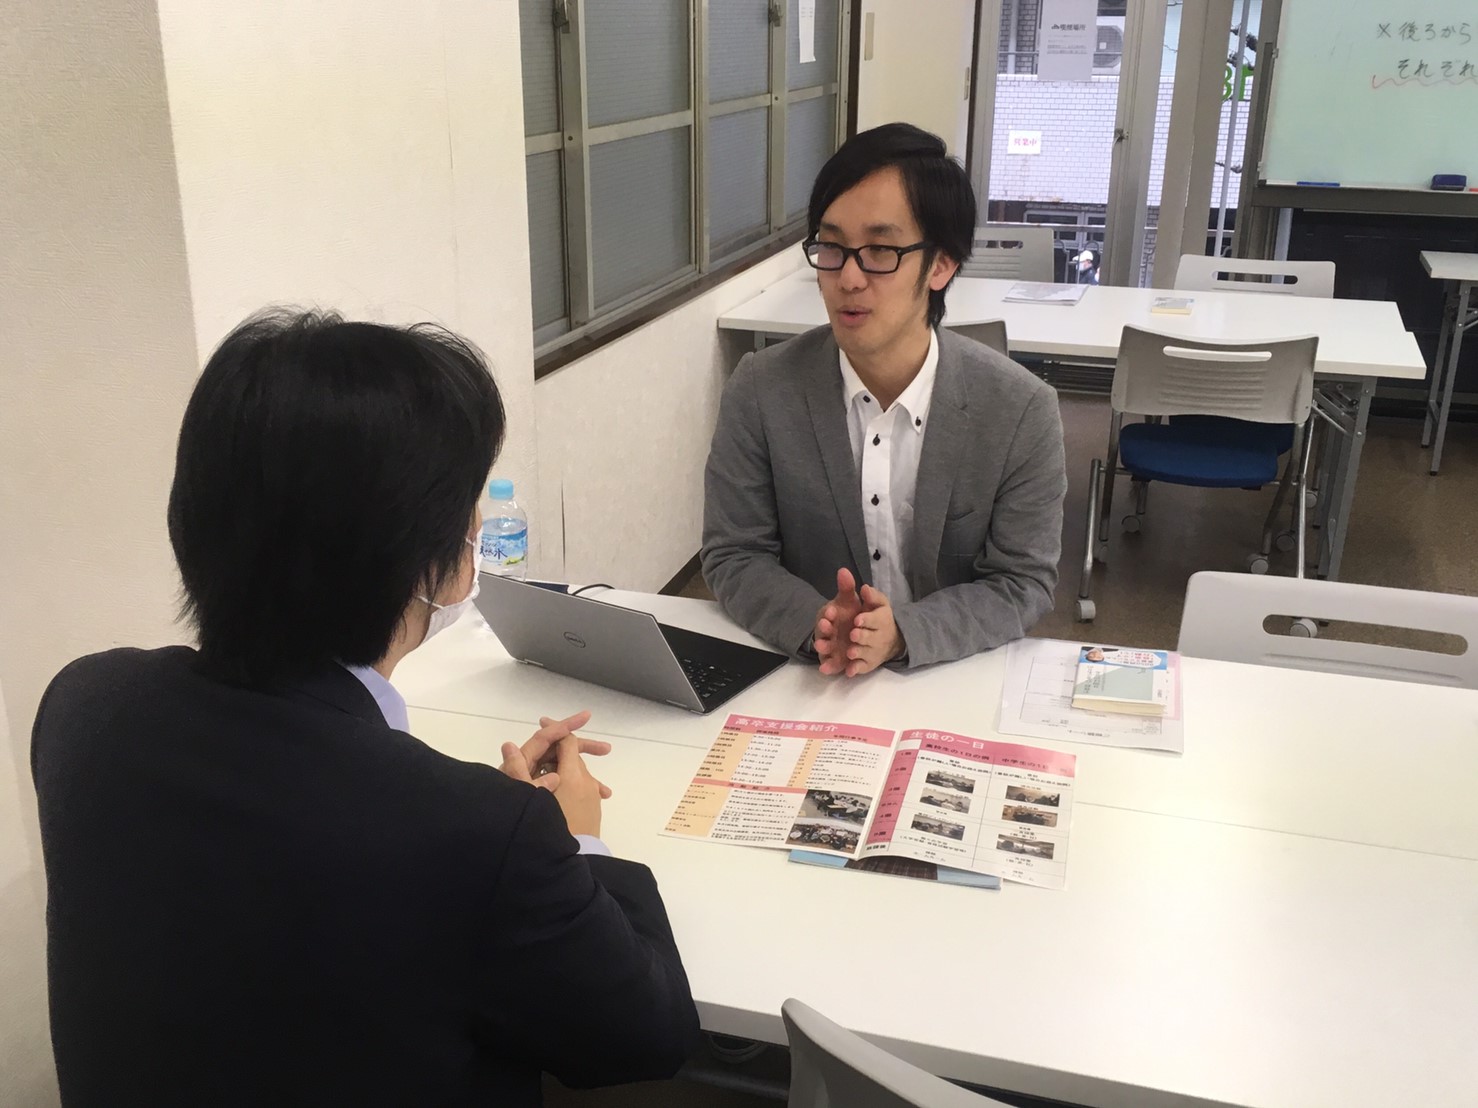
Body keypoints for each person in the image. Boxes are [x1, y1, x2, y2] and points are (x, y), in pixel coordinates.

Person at [30, 311, 700, 1106]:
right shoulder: (480, 834)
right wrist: (575, 840)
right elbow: (646, 1034)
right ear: (433, 556)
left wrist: (484, 833)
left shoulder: (85, 708)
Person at [702, 123, 1067, 674]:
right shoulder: (761, 389)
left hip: (949, 675)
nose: (848, 277)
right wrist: (819, 624)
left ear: (941, 264)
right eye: (831, 247)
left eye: (880, 250)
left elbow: (1022, 581)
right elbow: (734, 553)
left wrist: (903, 635)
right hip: (812, 678)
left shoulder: (1019, 410)